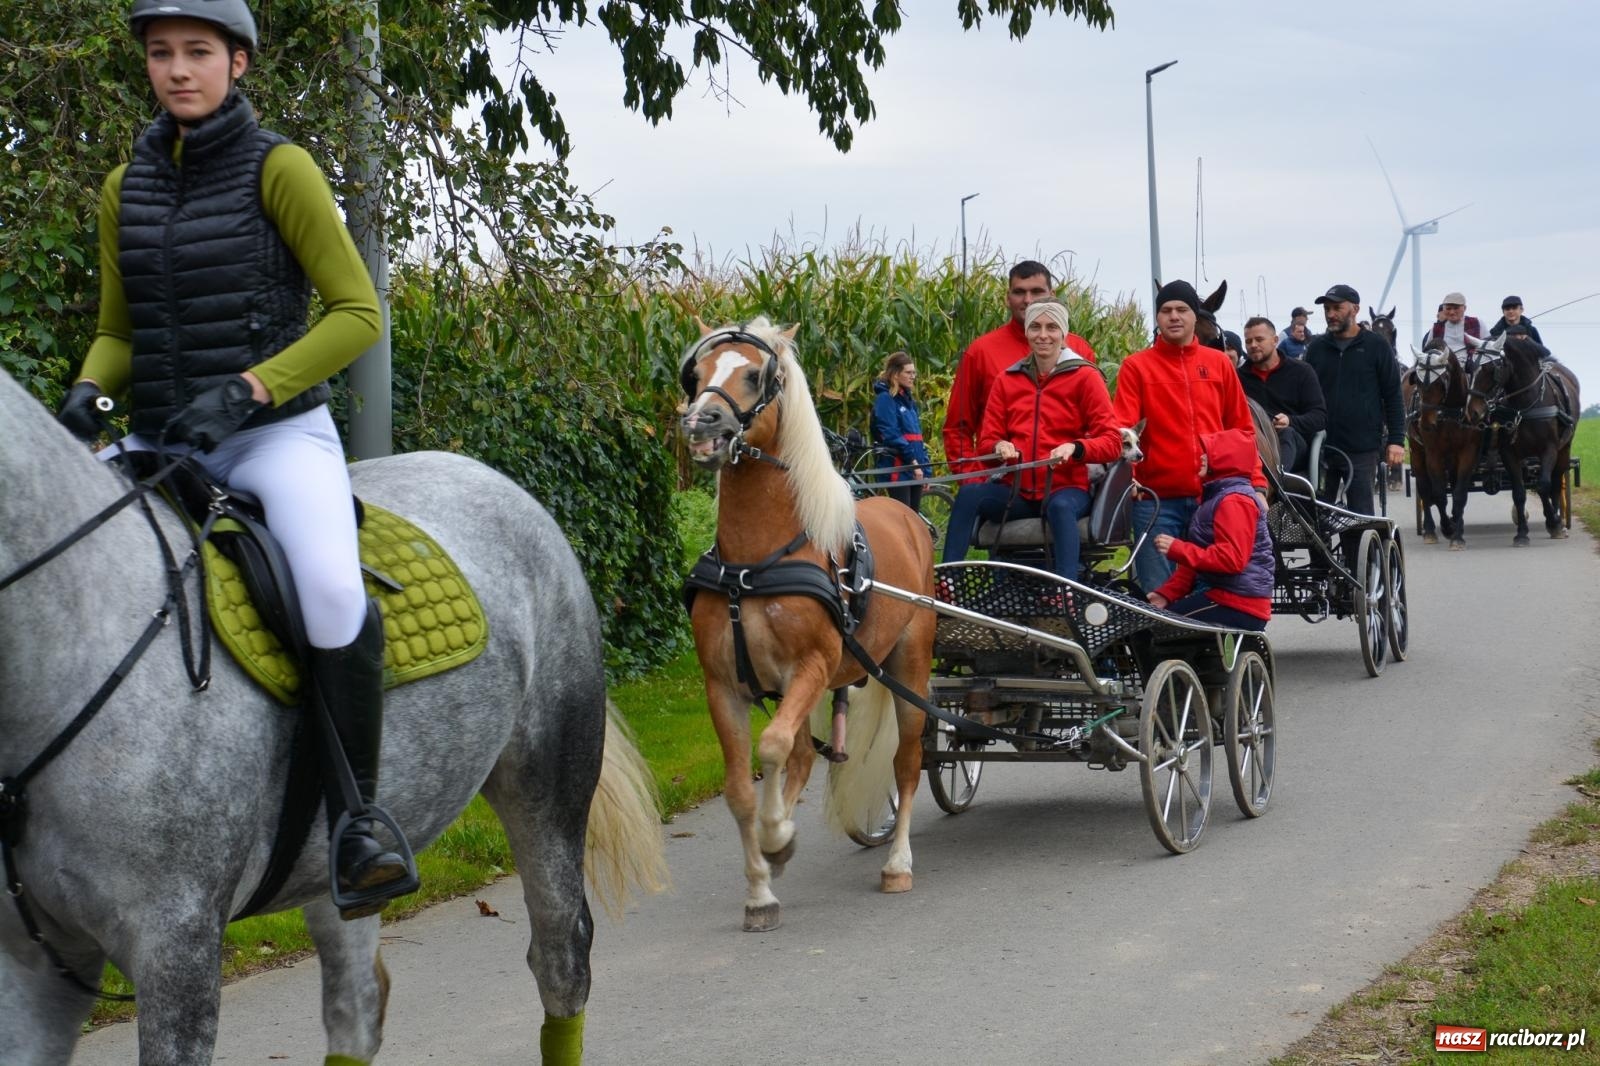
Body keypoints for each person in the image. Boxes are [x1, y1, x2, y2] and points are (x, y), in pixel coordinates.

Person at [54, 0, 408, 917]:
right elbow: (116, 331)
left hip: (274, 436)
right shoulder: (122, 185)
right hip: (163, 438)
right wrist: (91, 390)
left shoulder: (279, 168)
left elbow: (357, 315)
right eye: (162, 54)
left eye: (198, 53)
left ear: (238, 63)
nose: (178, 69)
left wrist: (252, 389)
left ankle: (359, 825)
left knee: (332, 590)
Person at [940, 300, 1122, 582]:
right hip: (1018, 491)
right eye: (1035, 327)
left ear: (1064, 333)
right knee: (969, 495)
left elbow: (1112, 441)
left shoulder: (1086, 377)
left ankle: (1067, 590)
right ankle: (949, 582)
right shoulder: (1007, 379)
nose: (1043, 334)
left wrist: (1075, 448)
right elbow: (986, 440)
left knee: (1060, 508)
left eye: (1052, 327)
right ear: (1026, 332)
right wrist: (999, 447)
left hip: (1067, 488)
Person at [1110, 279, 1265, 595]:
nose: (1174, 316)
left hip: (1211, 500)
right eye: (1166, 310)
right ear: (1157, 318)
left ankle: (1208, 644)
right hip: (1155, 501)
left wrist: (1256, 484)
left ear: (1196, 316)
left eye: (1182, 309)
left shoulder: (1220, 364)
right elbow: (1122, 429)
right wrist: (1131, 478)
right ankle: (1167, 644)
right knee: (1159, 592)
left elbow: (1242, 432)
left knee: (1210, 590)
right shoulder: (1136, 367)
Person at [943, 260, 1096, 479]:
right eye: (1019, 292)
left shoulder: (1079, 350)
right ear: (1008, 298)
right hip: (999, 486)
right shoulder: (980, 352)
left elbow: (1097, 427)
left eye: (1037, 291)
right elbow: (957, 428)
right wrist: (972, 478)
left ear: (1052, 295)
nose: (1028, 300)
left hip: (1065, 485)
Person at [1145, 427, 1272, 632]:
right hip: (1222, 595)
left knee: (1158, 629)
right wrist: (1166, 594)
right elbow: (1193, 566)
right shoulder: (1215, 499)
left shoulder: (1235, 502)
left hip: (1238, 602)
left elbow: (1231, 559)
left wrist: (1178, 549)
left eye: (1210, 452)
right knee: (1151, 621)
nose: (1202, 457)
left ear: (1226, 459)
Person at [1302, 284, 1405, 516]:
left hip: (1362, 447)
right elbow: (1305, 394)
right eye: (1327, 309)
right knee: (1317, 518)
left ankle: (1357, 552)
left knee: (1359, 517)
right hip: (1321, 447)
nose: (1330, 314)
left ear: (1355, 309)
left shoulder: (1377, 346)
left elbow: (1393, 396)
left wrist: (1397, 440)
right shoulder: (1316, 348)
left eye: (1337, 308)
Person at [1237, 316, 1326, 474]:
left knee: (1286, 434)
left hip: (1292, 444)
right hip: (1252, 444)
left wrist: (1290, 421)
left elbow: (1319, 417)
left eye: (1259, 339)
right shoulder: (1237, 378)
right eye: (1248, 341)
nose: (1253, 345)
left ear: (1275, 340)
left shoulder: (1301, 372)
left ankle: (1275, 481)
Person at [869, 351, 933, 513]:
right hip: (898, 469)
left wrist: (925, 470)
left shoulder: (909, 402)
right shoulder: (886, 399)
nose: (913, 376)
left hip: (914, 469)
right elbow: (892, 435)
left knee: (913, 517)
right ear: (896, 375)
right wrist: (913, 463)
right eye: (908, 372)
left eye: (914, 373)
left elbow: (917, 439)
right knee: (903, 517)